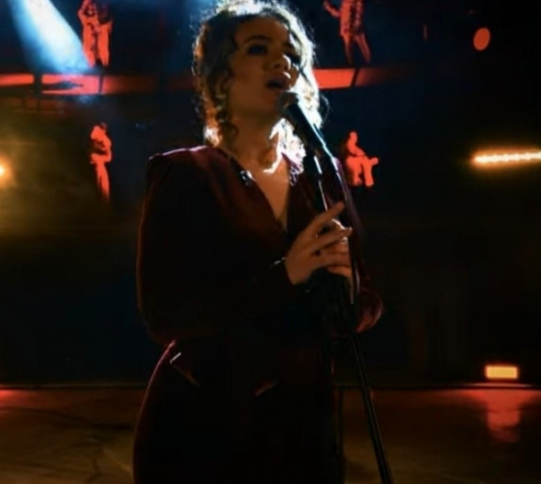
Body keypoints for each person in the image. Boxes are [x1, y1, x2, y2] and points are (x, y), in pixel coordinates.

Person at [132, 2, 383, 483]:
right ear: (220, 77)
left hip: (302, 427)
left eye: (291, 54)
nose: (281, 62)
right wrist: (284, 276)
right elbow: (166, 313)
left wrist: (350, 291)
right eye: (257, 48)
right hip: (208, 426)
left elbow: (367, 300)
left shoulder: (320, 174)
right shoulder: (186, 173)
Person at [323, 0, 371, 64]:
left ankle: (369, 63)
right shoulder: (344, 3)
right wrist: (329, 8)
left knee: (361, 44)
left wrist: (357, 22)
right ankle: (351, 64)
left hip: (354, 26)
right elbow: (340, 13)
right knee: (348, 46)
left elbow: (359, 9)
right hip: (346, 26)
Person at [90, 122, 112, 202]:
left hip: (99, 167)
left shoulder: (106, 142)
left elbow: (109, 157)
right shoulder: (94, 136)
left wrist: (98, 159)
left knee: (103, 190)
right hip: (92, 167)